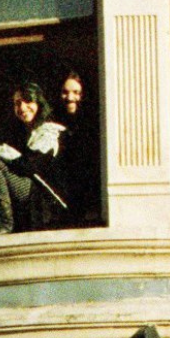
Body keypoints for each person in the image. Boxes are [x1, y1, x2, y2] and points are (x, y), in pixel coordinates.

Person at [0, 81, 69, 234]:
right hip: (33, 202)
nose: (22, 107)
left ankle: (3, 224)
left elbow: (29, 166)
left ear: (39, 102)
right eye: (18, 103)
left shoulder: (49, 131)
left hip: (48, 205)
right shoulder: (26, 134)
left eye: (28, 101)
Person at [54, 69, 100, 224]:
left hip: (91, 202)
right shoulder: (52, 122)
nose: (70, 97)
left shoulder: (93, 124)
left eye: (76, 92)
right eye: (65, 92)